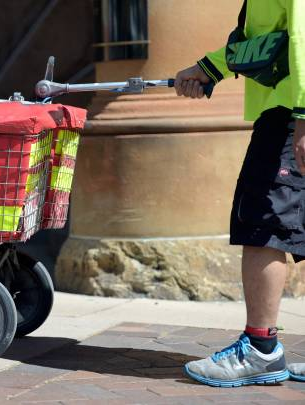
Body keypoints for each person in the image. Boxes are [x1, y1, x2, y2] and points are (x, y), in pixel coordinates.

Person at [173, 0, 305, 387]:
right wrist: (209, 69)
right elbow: (267, 41)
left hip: (288, 115)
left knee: (263, 226)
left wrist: (303, 116)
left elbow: (301, 37)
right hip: (288, 112)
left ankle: (260, 350)